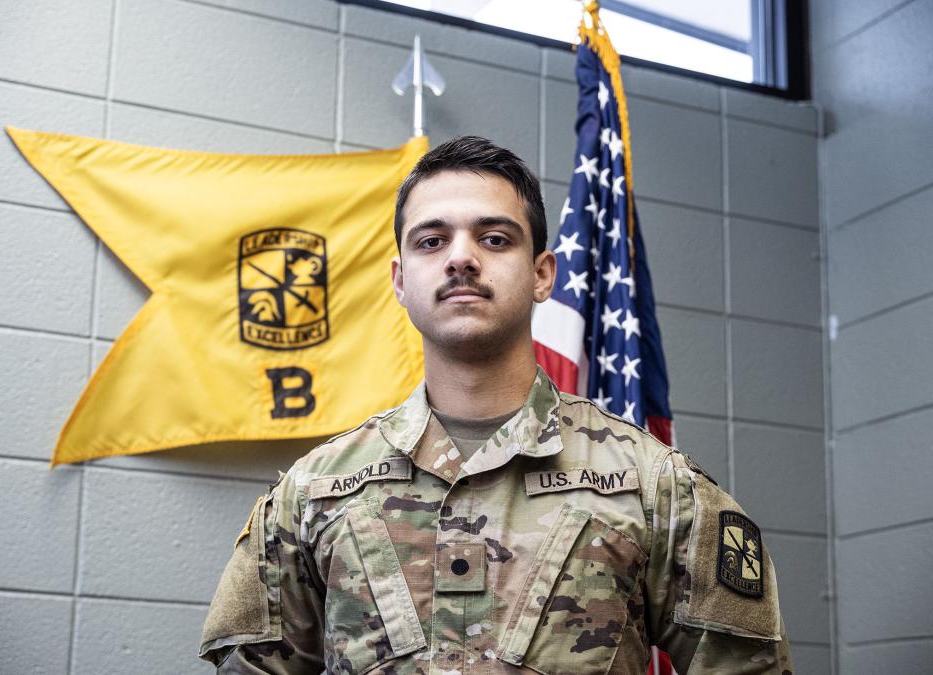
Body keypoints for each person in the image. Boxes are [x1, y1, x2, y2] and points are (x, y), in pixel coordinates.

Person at [199, 136, 793, 674]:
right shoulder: (314, 492)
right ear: (400, 280)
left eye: (494, 238)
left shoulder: (654, 486)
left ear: (541, 275)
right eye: (432, 241)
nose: (462, 257)